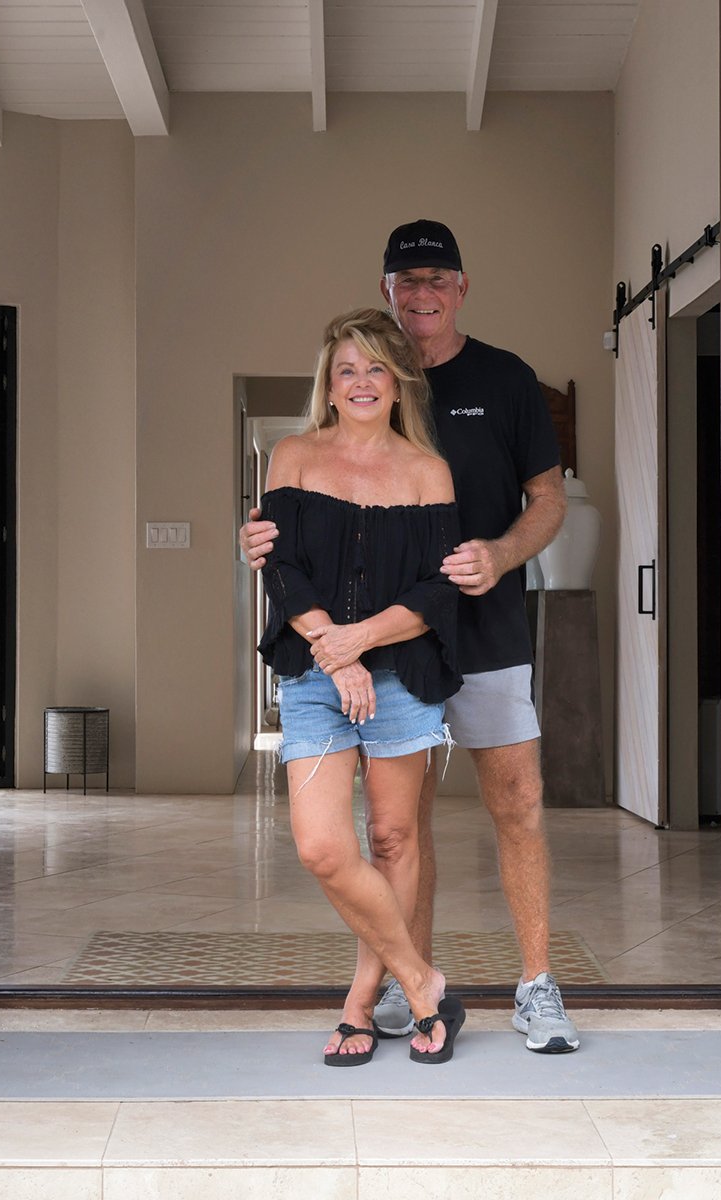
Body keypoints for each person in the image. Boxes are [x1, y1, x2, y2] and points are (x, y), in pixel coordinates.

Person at [243, 220, 579, 1054]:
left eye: (437, 278)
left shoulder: (504, 380)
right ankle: (408, 980)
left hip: (486, 626)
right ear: (387, 293)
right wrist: (272, 554)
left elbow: (548, 498)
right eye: (406, 280)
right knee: (400, 827)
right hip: (394, 650)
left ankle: (537, 987)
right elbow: (293, 538)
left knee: (517, 803)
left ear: (460, 287)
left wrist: (498, 556)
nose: (422, 292)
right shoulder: (342, 417)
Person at [259, 307, 467, 1066]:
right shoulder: (294, 455)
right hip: (316, 675)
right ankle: (422, 983)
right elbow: (280, 569)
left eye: (376, 367)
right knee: (322, 847)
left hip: (404, 676)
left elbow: (436, 591)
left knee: (393, 838)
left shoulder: (426, 471)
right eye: (346, 369)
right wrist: (334, 654)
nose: (361, 382)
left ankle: (358, 1003)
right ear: (329, 382)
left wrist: (362, 642)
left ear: (399, 379)